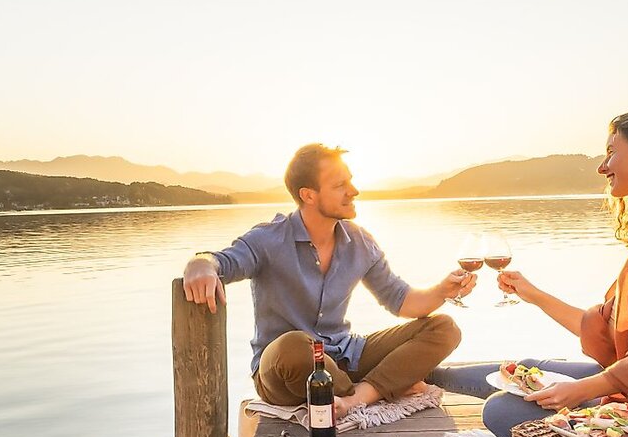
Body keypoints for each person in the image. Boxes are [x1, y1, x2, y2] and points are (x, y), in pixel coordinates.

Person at [183, 143, 474, 419]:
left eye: (350, 181)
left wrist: (442, 291)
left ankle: (355, 397)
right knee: (297, 346)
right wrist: (201, 262)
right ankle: (388, 387)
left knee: (444, 328)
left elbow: (400, 300)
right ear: (308, 195)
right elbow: (224, 261)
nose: (354, 190)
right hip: (284, 368)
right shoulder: (268, 239)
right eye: (340, 186)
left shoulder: (359, 240)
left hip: (345, 355)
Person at [427, 108, 628, 437]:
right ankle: (424, 378)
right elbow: (600, 329)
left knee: (500, 409)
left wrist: (581, 391)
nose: (602, 166)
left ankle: (419, 378)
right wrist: (533, 294)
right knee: (524, 370)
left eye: (612, 152)